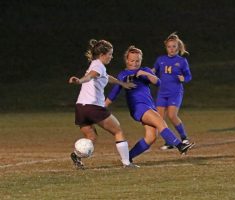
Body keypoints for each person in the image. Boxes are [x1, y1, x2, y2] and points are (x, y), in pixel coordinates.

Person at [105, 46, 194, 163]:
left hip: (149, 106)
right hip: (138, 107)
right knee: (160, 122)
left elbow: (158, 82)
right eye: (132, 60)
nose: (134, 63)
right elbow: (114, 92)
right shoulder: (123, 74)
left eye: (137, 61)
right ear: (126, 60)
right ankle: (180, 145)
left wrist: (146, 74)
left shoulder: (145, 70)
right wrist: (103, 105)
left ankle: (128, 158)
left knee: (151, 137)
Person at [68, 39, 138, 169]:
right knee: (117, 131)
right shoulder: (98, 66)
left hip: (80, 107)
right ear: (102, 55)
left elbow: (105, 77)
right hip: (93, 107)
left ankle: (77, 155)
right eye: (110, 54)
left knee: (91, 137)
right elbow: (91, 76)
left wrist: (122, 84)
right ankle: (127, 163)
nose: (111, 57)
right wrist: (80, 81)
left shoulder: (96, 65)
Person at [152, 33, 192, 150]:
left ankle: (184, 137)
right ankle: (169, 142)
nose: (171, 49)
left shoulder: (182, 61)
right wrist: (146, 73)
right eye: (169, 46)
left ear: (178, 47)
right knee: (159, 118)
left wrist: (184, 79)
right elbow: (154, 71)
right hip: (162, 92)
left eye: (174, 46)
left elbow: (189, 76)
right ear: (166, 47)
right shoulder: (160, 60)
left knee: (172, 115)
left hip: (175, 92)